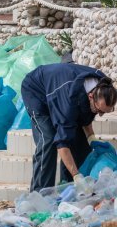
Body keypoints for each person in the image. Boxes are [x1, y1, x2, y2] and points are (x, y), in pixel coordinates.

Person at [21, 63, 117, 192]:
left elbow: (86, 116)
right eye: (100, 110)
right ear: (90, 96)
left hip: (60, 89)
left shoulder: (104, 87)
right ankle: (39, 193)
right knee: (48, 140)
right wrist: (77, 176)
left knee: (82, 145)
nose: (100, 114)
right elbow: (62, 143)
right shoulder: (68, 104)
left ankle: (67, 188)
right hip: (37, 91)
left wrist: (91, 138)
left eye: (105, 112)